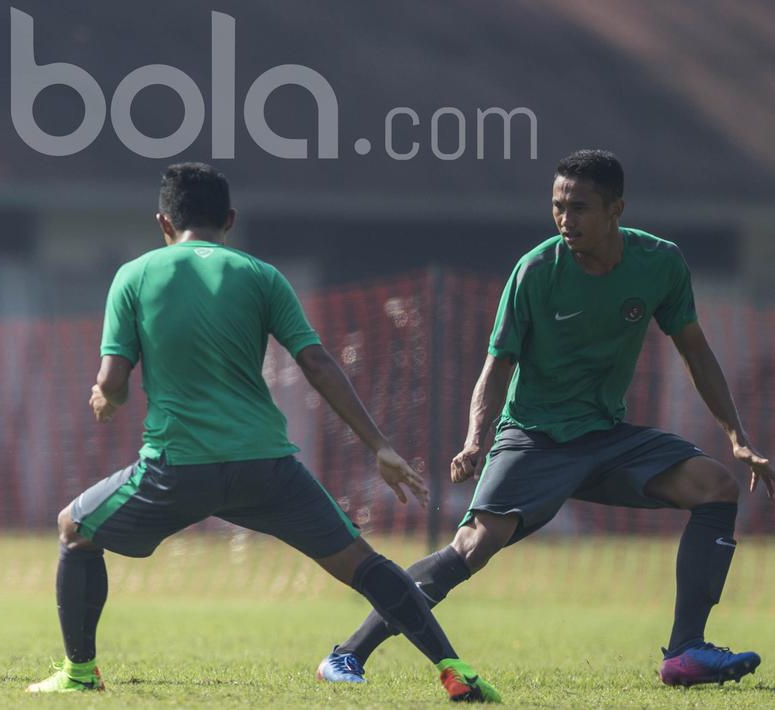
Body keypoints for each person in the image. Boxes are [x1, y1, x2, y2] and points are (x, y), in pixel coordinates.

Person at [25, 162, 500, 702]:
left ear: (163, 222)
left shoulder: (136, 275)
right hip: (266, 466)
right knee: (364, 565)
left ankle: (80, 674)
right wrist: (380, 447)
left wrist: (104, 399)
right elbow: (317, 362)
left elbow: (113, 381)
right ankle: (454, 667)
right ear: (229, 220)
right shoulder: (261, 275)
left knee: (75, 529)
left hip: (177, 466)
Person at [326, 149, 772, 687]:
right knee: (473, 547)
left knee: (716, 486)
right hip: (534, 437)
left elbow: (695, 351)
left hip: (607, 435)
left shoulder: (660, 263)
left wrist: (737, 437)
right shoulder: (536, 270)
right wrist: (475, 441)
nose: (565, 219)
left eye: (580, 208)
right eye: (558, 206)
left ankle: (684, 652)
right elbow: (497, 366)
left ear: (616, 210)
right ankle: (348, 654)